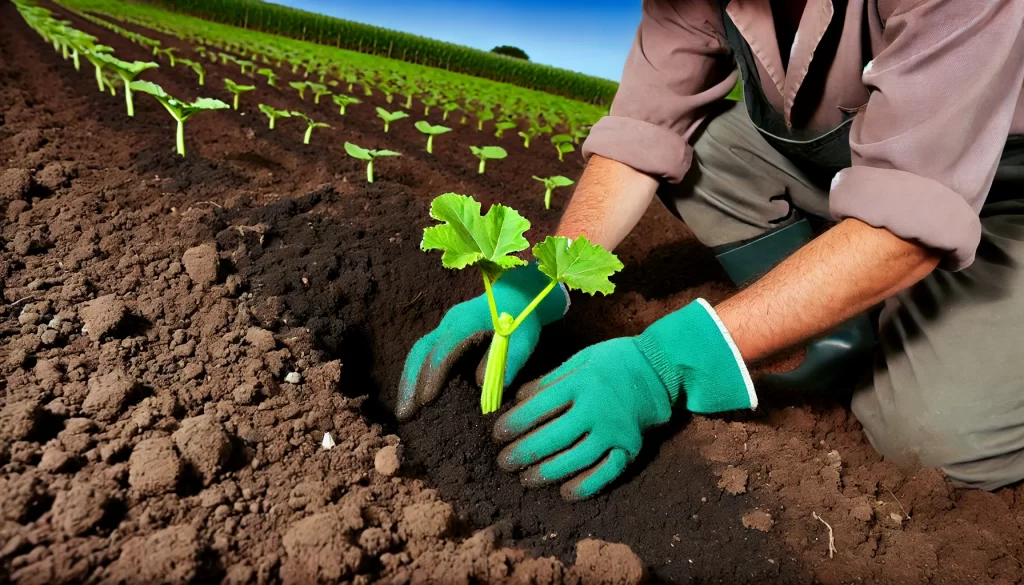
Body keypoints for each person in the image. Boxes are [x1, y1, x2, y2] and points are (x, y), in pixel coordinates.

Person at [397, 0, 1024, 501]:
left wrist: (668, 361)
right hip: (865, 158)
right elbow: (642, 134)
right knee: (710, 156)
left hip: (1003, 189)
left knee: (936, 440)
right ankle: (843, 333)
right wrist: (539, 282)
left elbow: (907, 225)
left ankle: (920, 307)